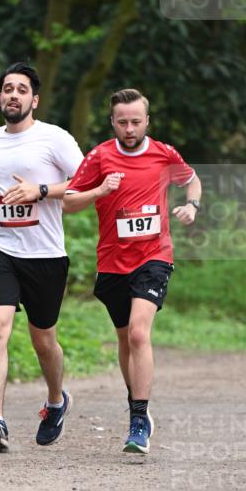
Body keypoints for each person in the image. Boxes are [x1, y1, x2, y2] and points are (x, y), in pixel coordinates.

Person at [63, 87, 201, 457]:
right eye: (122, 122)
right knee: (125, 339)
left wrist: (193, 205)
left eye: (135, 121)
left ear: (146, 121)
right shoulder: (99, 156)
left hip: (154, 255)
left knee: (140, 334)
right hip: (112, 261)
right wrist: (99, 191)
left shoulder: (163, 153)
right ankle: (137, 397)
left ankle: (138, 420)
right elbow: (69, 203)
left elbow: (190, 179)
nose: (129, 128)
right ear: (112, 122)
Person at [0, 63, 84, 453]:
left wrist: (41, 190)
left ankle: (56, 401)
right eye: (7, 89)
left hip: (46, 254)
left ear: (34, 100)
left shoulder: (55, 138)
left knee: (43, 339)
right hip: (0, 247)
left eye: (21, 90)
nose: (13, 95)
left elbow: (86, 183)